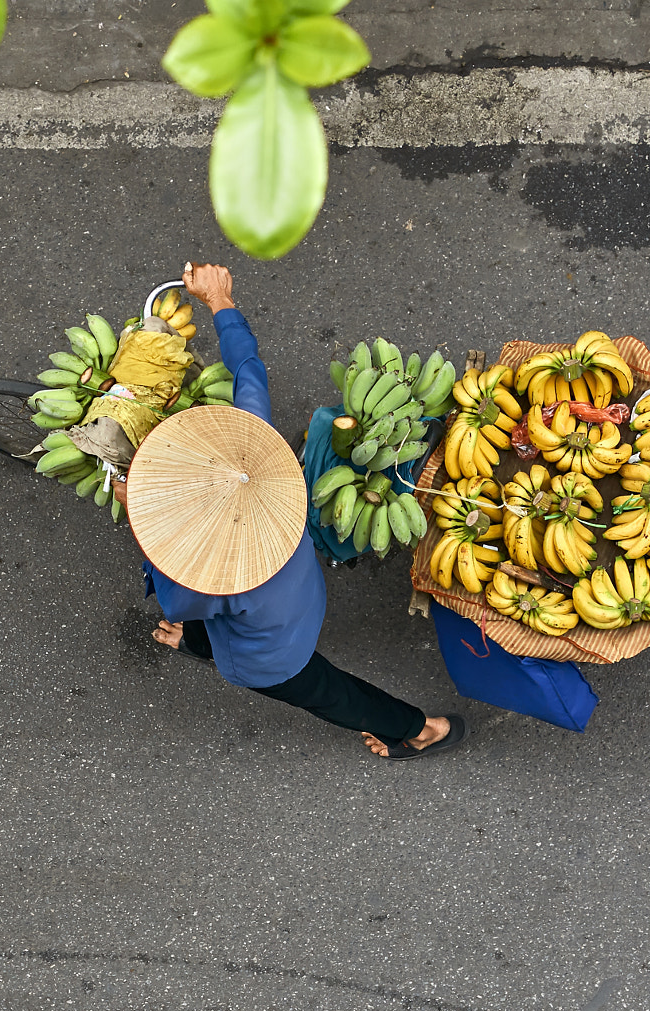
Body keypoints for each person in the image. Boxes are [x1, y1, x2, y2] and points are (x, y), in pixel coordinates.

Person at [112, 263, 466, 760]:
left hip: (274, 653)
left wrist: (135, 514)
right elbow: (247, 370)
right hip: (297, 592)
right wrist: (220, 301)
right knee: (205, 626)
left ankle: (420, 728)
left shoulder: (198, 581)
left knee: (331, 695)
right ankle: (196, 644)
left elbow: (177, 599)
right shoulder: (252, 458)